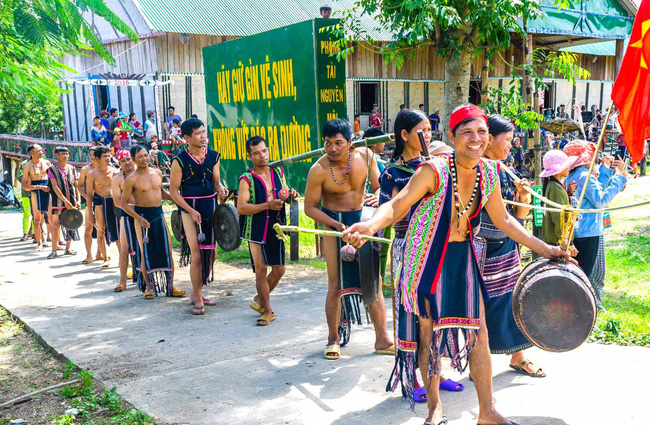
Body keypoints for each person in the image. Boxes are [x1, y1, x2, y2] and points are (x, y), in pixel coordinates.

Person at [343, 104, 572, 425]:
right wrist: (369, 226)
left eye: (482, 132)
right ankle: (434, 407)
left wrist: (545, 248)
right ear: (452, 137)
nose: (476, 139)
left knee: (479, 334)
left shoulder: (489, 173)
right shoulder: (432, 170)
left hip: (463, 258)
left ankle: (487, 411)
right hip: (425, 260)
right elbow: (397, 204)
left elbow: (504, 219)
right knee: (429, 335)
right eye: (467, 132)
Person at [380, 109, 463, 402]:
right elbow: (392, 212)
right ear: (405, 135)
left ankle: (435, 374)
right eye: (422, 130)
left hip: (438, 248)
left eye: (430, 130)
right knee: (412, 314)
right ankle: (413, 376)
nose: (428, 136)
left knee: (437, 313)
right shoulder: (393, 173)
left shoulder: (437, 167)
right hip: (408, 249)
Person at [303, 118, 393, 360]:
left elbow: (379, 187)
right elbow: (309, 208)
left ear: (351, 142)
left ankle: (382, 338)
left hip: (364, 222)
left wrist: (376, 197)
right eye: (328, 143)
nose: (332, 148)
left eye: (339, 143)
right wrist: (334, 224)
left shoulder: (367, 157)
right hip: (334, 226)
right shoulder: (318, 170)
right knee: (335, 283)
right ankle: (333, 339)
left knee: (372, 281)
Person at [477, 115, 546, 378]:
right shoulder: (476, 171)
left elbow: (516, 219)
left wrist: (523, 198)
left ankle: (518, 357)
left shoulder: (508, 171)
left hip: (507, 250)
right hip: (481, 251)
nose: (510, 145)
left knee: (512, 301)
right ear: (489, 139)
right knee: (482, 306)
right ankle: (478, 363)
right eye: (507, 139)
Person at [169, 118, 228, 315]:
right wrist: (191, 211)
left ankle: (197, 291)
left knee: (211, 253)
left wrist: (221, 188)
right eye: (198, 133)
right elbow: (174, 192)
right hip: (189, 208)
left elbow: (216, 182)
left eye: (204, 132)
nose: (203, 136)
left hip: (209, 206)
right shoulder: (179, 160)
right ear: (186, 137)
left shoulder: (213, 156)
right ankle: (197, 295)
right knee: (196, 255)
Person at [237, 136, 299, 326]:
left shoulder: (278, 173)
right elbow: (241, 207)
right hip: (255, 229)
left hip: (276, 227)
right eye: (256, 153)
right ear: (250, 156)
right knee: (261, 270)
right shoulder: (246, 179)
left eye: (264, 151)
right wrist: (267, 205)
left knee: (279, 269)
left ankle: (259, 299)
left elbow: (284, 194)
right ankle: (268, 310)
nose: (262, 156)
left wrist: (291, 195)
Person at [564, 141, 627, 311]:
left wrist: (606, 170)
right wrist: (620, 177)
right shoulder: (584, 175)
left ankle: (591, 305)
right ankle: (586, 307)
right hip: (588, 230)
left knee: (593, 271)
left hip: (585, 229)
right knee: (590, 273)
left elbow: (597, 190)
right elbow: (600, 200)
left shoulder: (576, 174)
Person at [121, 145, 186, 299]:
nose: (144, 159)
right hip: (143, 217)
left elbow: (161, 193)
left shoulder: (157, 172)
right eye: (140, 157)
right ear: (134, 160)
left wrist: (179, 200)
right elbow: (123, 203)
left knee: (167, 250)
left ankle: (171, 285)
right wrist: (139, 218)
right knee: (145, 253)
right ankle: (149, 287)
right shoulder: (131, 179)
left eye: (145, 155)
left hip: (159, 214)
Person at [86, 146, 119, 269]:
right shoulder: (91, 174)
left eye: (109, 155)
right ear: (98, 159)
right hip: (99, 202)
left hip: (114, 203)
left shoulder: (115, 171)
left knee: (118, 231)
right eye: (105, 156)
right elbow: (89, 195)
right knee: (101, 231)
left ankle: (123, 257)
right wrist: (89, 212)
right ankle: (105, 258)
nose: (108, 158)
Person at [111, 149, 138, 292]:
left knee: (145, 245)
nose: (127, 163)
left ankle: (147, 278)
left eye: (128, 159)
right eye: (123, 161)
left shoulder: (144, 174)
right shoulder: (117, 179)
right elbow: (116, 202)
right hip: (126, 215)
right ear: (119, 163)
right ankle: (122, 280)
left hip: (145, 213)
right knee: (125, 248)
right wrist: (136, 207)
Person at [46, 146, 80, 259]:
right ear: (56, 155)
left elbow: (76, 185)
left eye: (67, 153)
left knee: (71, 224)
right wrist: (65, 201)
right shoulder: (52, 169)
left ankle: (68, 248)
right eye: (62, 153)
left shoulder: (72, 168)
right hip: (58, 202)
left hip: (72, 200)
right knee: (55, 225)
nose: (65, 156)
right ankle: (53, 250)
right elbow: (54, 187)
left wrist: (78, 200)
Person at [541, 150, 579, 246]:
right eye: (566, 165)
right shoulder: (555, 188)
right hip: (558, 242)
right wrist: (567, 242)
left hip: (554, 240)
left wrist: (568, 194)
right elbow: (560, 218)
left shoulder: (553, 185)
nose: (568, 167)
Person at [21, 144, 52, 251]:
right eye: (38, 150)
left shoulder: (47, 163)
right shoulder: (27, 166)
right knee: (37, 218)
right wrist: (38, 187)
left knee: (51, 217)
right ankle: (39, 242)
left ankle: (54, 240)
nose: (41, 152)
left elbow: (53, 177)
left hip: (48, 189)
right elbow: (24, 185)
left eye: (41, 150)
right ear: (31, 153)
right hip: (35, 190)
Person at [79, 146, 102, 264]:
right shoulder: (85, 169)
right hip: (90, 201)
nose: (92, 156)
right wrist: (86, 196)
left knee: (101, 228)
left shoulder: (105, 168)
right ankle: (89, 254)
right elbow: (79, 185)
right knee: (88, 227)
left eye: (94, 154)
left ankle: (100, 253)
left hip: (101, 201)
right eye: (90, 154)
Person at [17, 159, 32, 241]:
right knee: (27, 213)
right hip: (26, 193)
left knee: (37, 215)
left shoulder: (42, 162)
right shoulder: (25, 164)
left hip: (38, 192)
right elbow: (19, 176)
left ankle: (34, 232)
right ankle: (25, 233)